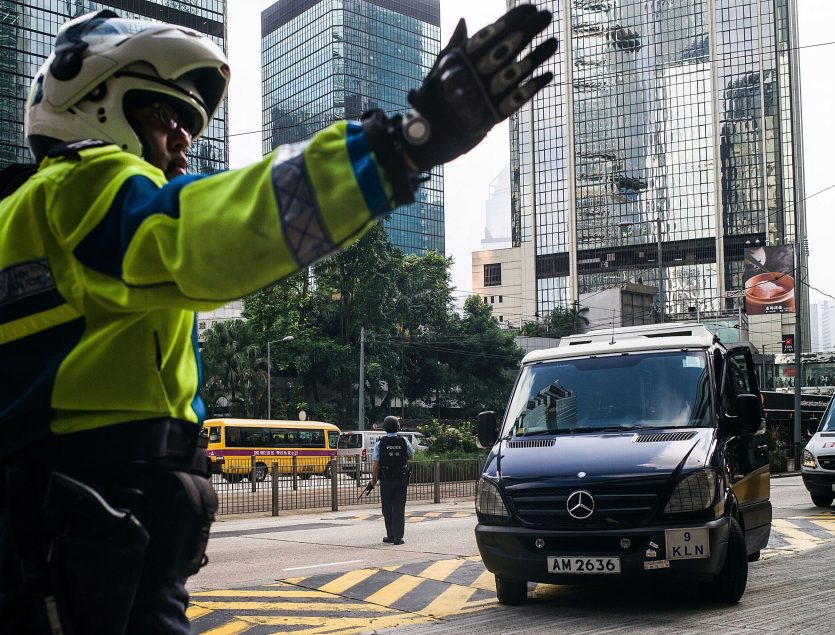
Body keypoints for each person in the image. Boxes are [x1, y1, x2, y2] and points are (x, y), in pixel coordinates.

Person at [0, 7, 556, 634]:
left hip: (72, 542)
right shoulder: (83, 189)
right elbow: (216, 232)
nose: (185, 139)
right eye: (166, 115)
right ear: (94, 104)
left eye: (192, 123)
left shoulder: (23, 220)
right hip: (95, 539)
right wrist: (404, 144)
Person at [368, 416, 415, 545]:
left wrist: (373, 479)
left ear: (385, 428)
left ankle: (390, 535)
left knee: (387, 508)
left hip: (386, 480)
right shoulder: (404, 441)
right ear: (397, 427)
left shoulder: (380, 443)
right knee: (399, 507)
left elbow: (376, 464)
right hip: (401, 479)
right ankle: (398, 538)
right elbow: (411, 455)